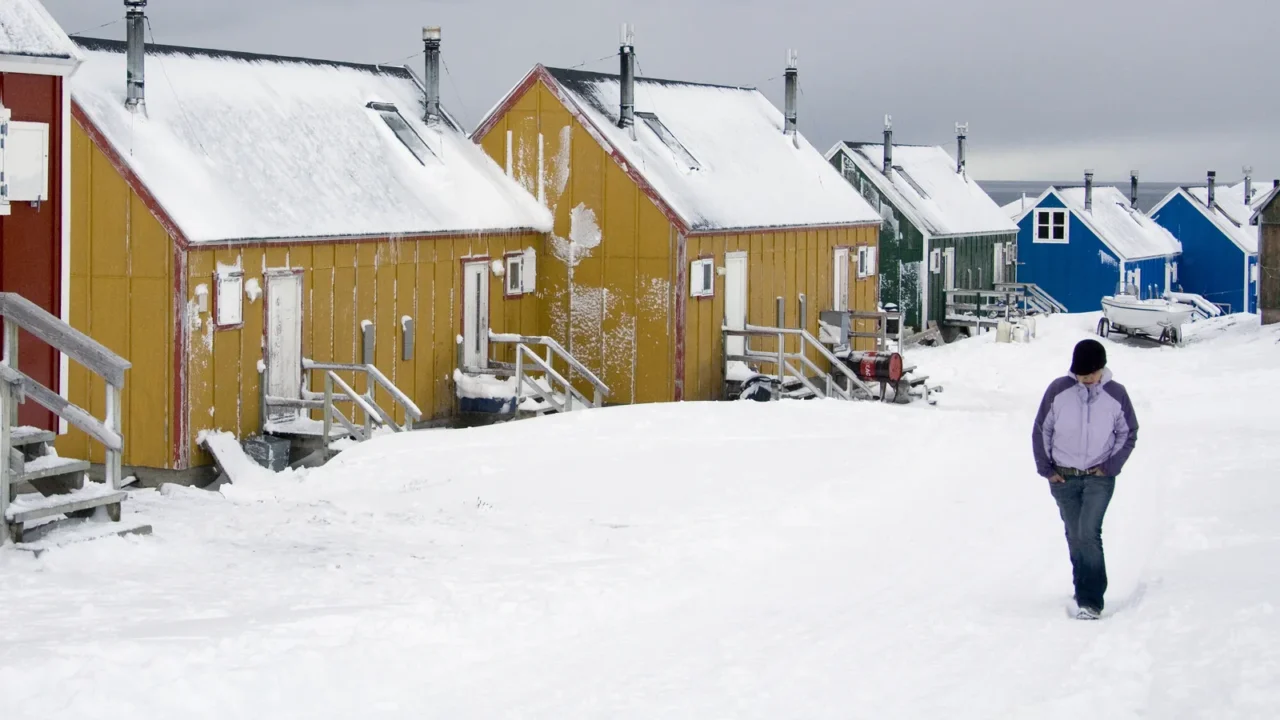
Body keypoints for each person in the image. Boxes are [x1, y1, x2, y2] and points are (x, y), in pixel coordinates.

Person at [1032, 339, 1138, 620]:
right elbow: (1041, 430)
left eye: (1091, 374)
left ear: (1102, 369)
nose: (1086, 379)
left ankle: (1091, 601)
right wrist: (1047, 469)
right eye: (1081, 374)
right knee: (1075, 535)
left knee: (1088, 533)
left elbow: (1127, 433)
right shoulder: (1058, 390)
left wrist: (1110, 466)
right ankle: (1083, 591)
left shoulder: (1116, 394)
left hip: (1098, 477)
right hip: (1063, 477)